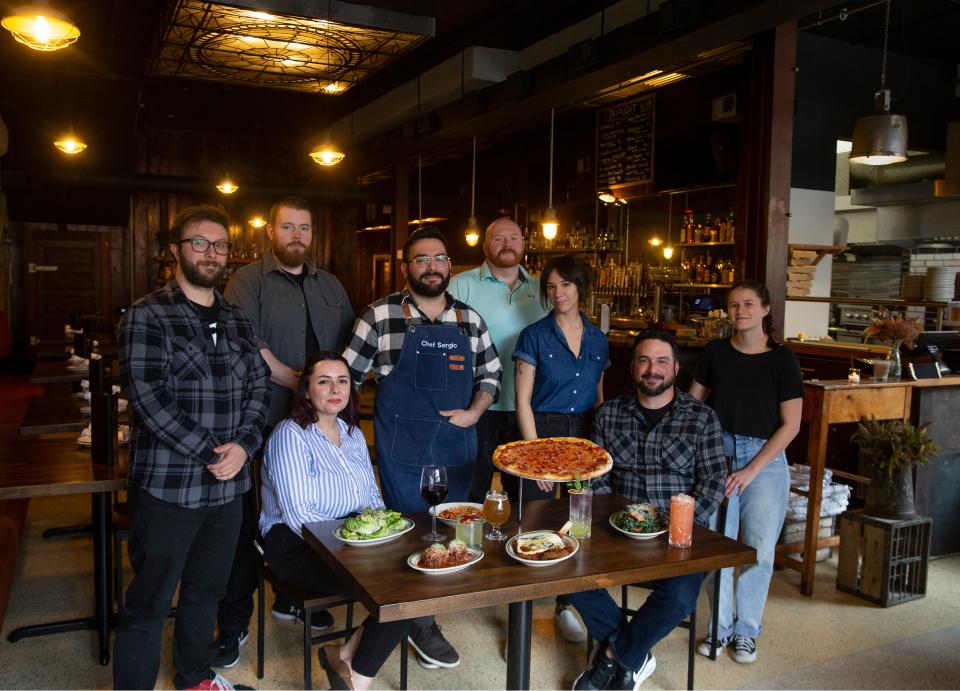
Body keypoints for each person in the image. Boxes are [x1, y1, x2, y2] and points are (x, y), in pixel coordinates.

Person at [114, 204, 271, 691]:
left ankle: (196, 679)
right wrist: (211, 452)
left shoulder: (238, 318)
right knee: (150, 600)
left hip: (228, 490)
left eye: (220, 245)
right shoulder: (148, 315)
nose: (211, 253)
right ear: (176, 251)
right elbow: (148, 398)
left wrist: (244, 447)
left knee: (208, 592)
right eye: (200, 243)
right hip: (168, 487)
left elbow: (260, 389)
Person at [343, 226, 502, 670]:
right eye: (421, 259)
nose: (431, 266)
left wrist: (475, 411)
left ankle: (422, 612)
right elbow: (345, 381)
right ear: (405, 268)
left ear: (450, 267)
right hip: (403, 443)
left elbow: (491, 374)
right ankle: (420, 621)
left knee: (453, 530)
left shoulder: (469, 319)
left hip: (457, 443)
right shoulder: (379, 316)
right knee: (411, 531)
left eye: (439, 258)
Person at [215, 196, 354, 667]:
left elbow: (350, 347)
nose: (297, 235)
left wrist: (331, 391)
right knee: (249, 522)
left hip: (320, 422)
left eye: (305, 228)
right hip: (262, 417)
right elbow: (243, 341)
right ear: (270, 233)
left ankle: (294, 594)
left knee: (313, 506)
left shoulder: (331, 284)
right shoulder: (248, 280)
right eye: (288, 227)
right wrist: (297, 380)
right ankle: (232, 625)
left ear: (313, 235)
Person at [568, 328, 726, 691]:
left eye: (661, 361)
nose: (651, 369)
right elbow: (595, 475)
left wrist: (684, 526)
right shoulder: (608, 414)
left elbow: (714, 480)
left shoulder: (701, 418)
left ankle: (615, 657)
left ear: (675, 369)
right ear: (633, 367)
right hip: (617, 530)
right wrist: (615, 519)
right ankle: (635, 653)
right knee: (568, 574)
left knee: (681, 596)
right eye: (643, 360)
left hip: (679, 535)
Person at [260, 351, 412, 691]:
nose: (335, 389)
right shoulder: (290, 434)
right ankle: (353, 674)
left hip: (354, 542)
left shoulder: (353, 434)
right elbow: (299, 514)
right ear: (306, 390)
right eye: (324, 381)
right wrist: (357, 547)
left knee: (416, 577)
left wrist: (384, 533)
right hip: (297, 544)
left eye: (342, 381)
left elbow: (372, 500)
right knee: (398, 588)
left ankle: (348, 665)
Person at [689, 280, 803, 664]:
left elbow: (791, 425)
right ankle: (719, 629)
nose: (740, 311)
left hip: (766, 459)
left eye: (749, 304)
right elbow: (693, 406)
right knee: (719, 546)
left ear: (766, 309)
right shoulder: (715, 352)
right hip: (717, 452)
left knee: (759, 548)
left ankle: (747, 630)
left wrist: (752, 469)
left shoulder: (783, 360)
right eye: (734, 305)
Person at [513, 253, 607, 643]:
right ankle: (520, 612)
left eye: (565, 284)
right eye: (550, 286)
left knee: (580, 524)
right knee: (534, 520)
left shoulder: (599, 338)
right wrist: (534, 460)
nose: (557, 292)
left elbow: (599, 396)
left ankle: (568, 603)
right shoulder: (533, 335)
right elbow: (522, 401)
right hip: (544, 434)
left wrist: (600, 449)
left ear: (580, 287)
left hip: (585, 437)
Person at [448, 216, 547, 502]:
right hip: (478, 404)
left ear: (524, 244)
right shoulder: (460, 286)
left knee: (526, 499)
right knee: (471, 491)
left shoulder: (543, 289)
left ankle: (523, 546)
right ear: (485, 246)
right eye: (499, 238)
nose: (507, 244)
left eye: (514, 237)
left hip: (527, 408)